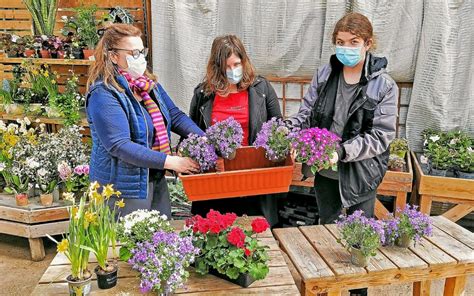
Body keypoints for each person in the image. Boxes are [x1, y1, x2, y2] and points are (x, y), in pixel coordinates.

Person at [287, 13, 397, 295]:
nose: (346, 47)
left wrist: (342, 152)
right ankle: (328, 287)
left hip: (360, 173)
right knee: (327, 231)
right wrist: (287, 130)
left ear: (368, 43)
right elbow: (306, 114)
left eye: (353, 42)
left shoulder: (383, 85)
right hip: (325, 171)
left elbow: (381, 136)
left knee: (360, 238)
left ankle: (357, 292)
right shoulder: (325, 76)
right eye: (340, 42)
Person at [86, 24, 204, 217]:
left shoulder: (146, 85)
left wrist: (204, 139)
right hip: (122, 189)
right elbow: (119, 144)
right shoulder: (104, 93)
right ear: (113, 56)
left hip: (154, 178)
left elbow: (174, 115)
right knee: (128, 244)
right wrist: (171, 162)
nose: (140, 59)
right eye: (133, 53)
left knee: (159, 239)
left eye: (141, 52)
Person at [189, 35, 282, 226]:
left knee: (256, 233)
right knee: (216, 234)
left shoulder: (261, 88)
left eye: (237, 64)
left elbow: (277, 126)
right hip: (216, 179)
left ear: (244, 61)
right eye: (227, 66)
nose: (233, 70)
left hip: (254, 177)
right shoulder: (203, 94)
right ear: (217, 67)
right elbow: (192, 132)